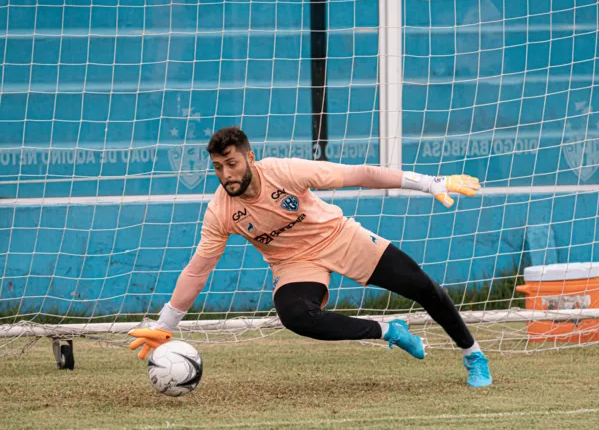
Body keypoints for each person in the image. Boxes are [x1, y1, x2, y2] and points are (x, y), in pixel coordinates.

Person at [129, 126, 492, 387]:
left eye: (232, 163)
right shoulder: (220, 212)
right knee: (296, 315)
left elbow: (359, 174)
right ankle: (389, 331)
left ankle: (473, 354)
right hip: (293, 264)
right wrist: (166, 324)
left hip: (338, 237)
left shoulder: (285, 172)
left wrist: (431, 183)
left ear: (250, 157)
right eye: (218, 167)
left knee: (422, 287)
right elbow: (199, 269)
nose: (226, 174)